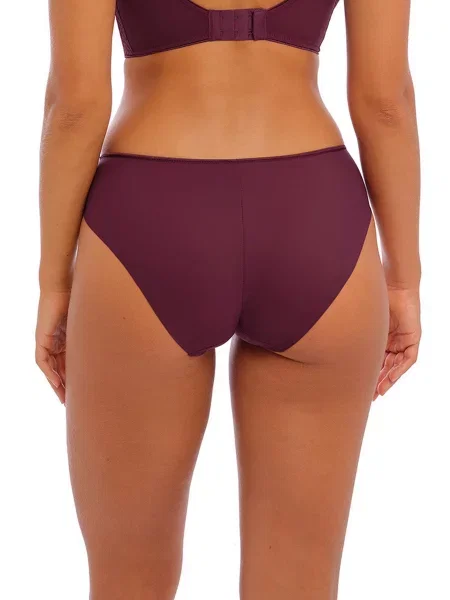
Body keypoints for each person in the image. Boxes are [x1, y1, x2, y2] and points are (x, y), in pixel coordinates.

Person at [35, 0, 421, 598]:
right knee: (298, 579)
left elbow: (75, 106)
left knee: (126, 579)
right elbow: (385, 101)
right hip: (315, 218)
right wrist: (403, 280)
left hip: (151, 215)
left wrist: (54, 283)